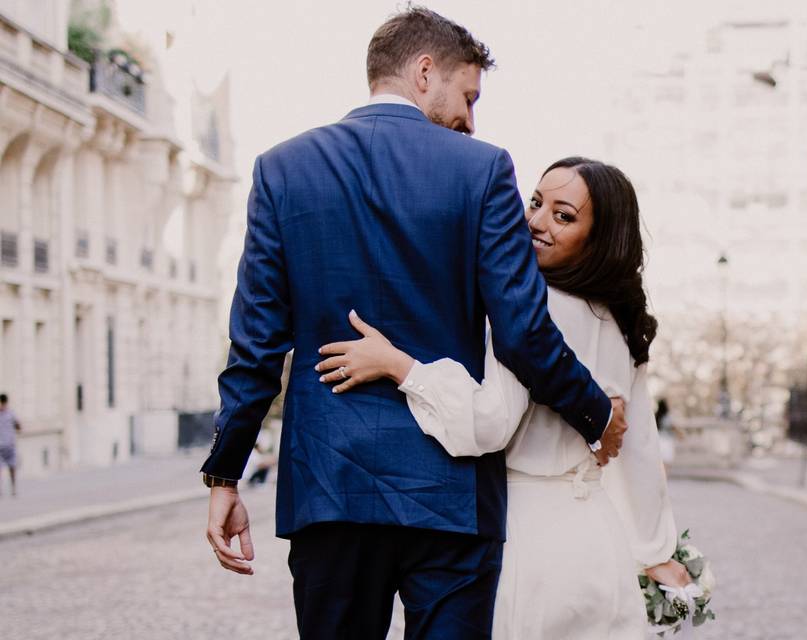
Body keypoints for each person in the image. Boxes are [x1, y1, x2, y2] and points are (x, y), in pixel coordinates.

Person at [200, 7, 628, 639]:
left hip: (331, 487)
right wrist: (596, 413)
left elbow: (257, 343)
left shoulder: (282, 169)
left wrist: (225, 472)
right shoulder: (482, 170)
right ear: (425, 72)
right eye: (467, 94)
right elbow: (522, 332)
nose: (470, 118)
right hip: (450, 497)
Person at [318, 158, 691, 638]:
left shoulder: (533, 311)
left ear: (600, 238)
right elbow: (639, 453)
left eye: (563, 215)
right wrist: (656, 552)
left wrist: (397, 365)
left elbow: (489, 423)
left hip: (528, 543)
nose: (535, 221)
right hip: (598, 545)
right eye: (535, 203)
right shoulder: (622, 325)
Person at [0, 393, 21, 497]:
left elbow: (18, 426)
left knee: (12, 467)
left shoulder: (11, 414)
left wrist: (16, 427)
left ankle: (13, 488)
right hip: (0, 446)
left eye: (2, 403)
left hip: (10, 445)